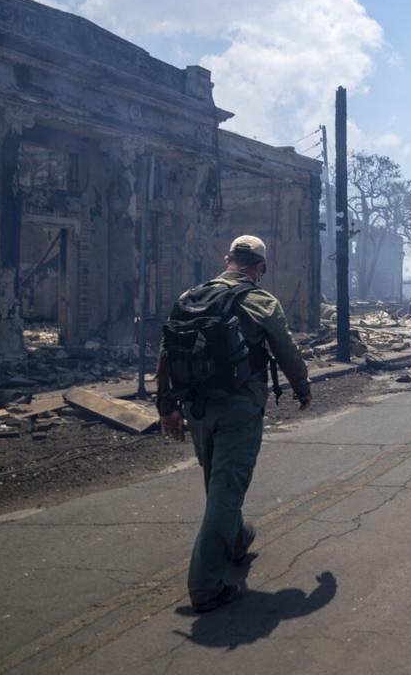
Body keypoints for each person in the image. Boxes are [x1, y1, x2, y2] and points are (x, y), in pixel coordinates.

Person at [157, 235, 312, 612]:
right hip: (239, 409)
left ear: (227, 259)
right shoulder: (260, 301)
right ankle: (206, 587)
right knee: (227, 489)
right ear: (259, 267)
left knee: (218, 482)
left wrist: (167, 407)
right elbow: (286, 350)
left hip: (196, 408)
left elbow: (167, 351)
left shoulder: (190, 298)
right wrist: (302, 388)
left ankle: (238, 540)